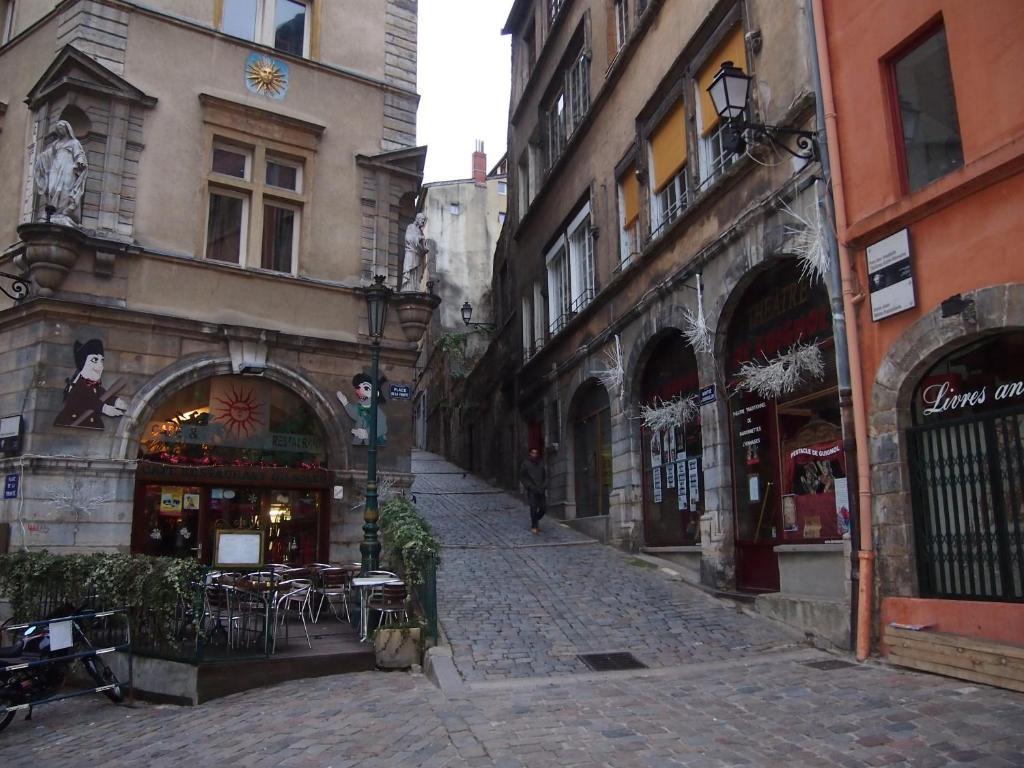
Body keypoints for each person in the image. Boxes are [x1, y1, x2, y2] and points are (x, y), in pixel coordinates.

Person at [53, 338, 128, 430]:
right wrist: (104, 408)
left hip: (91, 424)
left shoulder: (94, 386)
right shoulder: (78, 385)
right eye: (95, 360)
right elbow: (86, 399)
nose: (100, 365)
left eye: (101, 360)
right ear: (83, 362)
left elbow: (102, 395)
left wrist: (116, 402)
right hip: (72, 421)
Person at [33, 120, 88, 226]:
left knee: (65, 188)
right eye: (58, 129)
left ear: (67, 129)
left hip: (68, 168)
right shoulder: (56, 144)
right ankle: (53, 211)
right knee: (52, 188)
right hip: (56, 167)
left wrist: (80, 161)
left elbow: (79, 154)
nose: (60, 130)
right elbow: (48, 156)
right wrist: (40, 158)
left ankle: (64, 211)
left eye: (61, 128)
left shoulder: (74, 143)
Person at [337, 373, 388, 446]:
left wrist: (367, 433)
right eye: (358, 387)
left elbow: (382, 427)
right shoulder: (360, 408)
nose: (360, 391)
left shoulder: (378, 413)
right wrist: (345, 403)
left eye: (366, 388)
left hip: (373, 442)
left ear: (376, 394)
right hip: (359, 442)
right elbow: (354, 414)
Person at [519, 448, 547, 534]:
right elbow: (522, 477)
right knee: (533, 508)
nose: (534, 455)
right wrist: (529, 486)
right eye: (533, 453)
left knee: (543, 508)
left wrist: (544, 486)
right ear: (530, 454)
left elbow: (546, 476)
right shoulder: (525, 464)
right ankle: (534, 525)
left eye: (536, 453)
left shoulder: (541, 463)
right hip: (532, 490)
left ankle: (535, 519)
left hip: (541, 489)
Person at [400, 213, 428, 292]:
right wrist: (419, 238)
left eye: (424, 221)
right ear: (418, 219)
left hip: (418, 254)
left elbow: (421, 245)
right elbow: (408, 238)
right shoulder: (411, 227)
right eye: (422, 220)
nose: (423, 223)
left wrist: (424, 248)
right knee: (410, 270)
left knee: (417, 273)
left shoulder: (420, 231)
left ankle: (415, 287)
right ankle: (408, 287)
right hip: (411, 252)